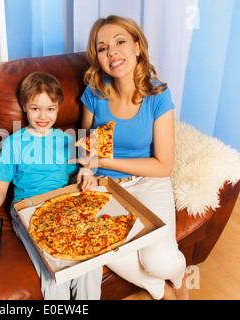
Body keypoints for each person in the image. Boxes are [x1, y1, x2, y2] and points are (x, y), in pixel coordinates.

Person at [71, 15, 189, 300]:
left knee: (158, 262)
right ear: (98, 57)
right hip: (105, 187)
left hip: (149, 181)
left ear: (138, 47)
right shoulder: (95, 91)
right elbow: (85, 141)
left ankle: (179, 276)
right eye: (102, 48)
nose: (112, 52)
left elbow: (163, 166)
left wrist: (103, 162)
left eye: (120, 42)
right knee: (97, 247)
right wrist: (86, 165)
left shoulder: (158, 95)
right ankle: (161, 289)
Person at [0, 72, 103, 300]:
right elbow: (0, 189)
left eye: (50, 109)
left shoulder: (68, 141)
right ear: (24, 106)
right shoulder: (13, 143)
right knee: (54, 268)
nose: (43, 116)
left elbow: (81, 173)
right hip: (28, 207)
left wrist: (86, 170)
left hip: (63, 203)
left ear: (59, 107)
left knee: (89, 262)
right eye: (35, 108)